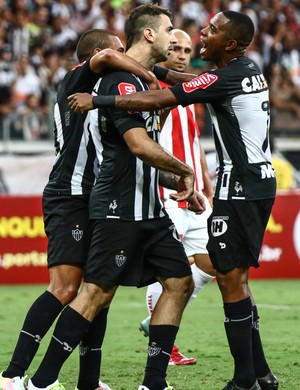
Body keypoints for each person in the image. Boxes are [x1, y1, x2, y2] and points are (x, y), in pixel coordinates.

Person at [69, 10, 279, 390]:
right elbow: (185, 80)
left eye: (212, 30)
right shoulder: (245, 71)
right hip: (257, 184)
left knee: (231, 280)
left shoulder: (224, 76)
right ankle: (260, 374)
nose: (204, 32)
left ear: (229, 45)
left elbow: (160, 98)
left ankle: (247, 379)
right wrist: (152, 69)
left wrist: (99, 100)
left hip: (241, 187)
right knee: (233, 277)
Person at [25, 4, 202, 390]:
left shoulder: (142, 84)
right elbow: (137, 146)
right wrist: (185, 169)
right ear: (150, 34)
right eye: (169, 29)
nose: (176, 36)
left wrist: (177, 182)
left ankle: (153, 382)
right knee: (90, 294)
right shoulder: (118, 80)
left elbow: (149, 145)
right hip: (117, 206)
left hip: (149, 207)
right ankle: (37, 381)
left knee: (179, 282)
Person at [0, 28, 158, 390]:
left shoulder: (103, 91)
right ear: (101, 53)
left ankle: (88, 381)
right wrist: (146, 74)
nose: (126, 59)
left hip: (95, 196)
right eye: (122, 52)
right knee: (64, 287)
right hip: (69, 193)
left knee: (97, 290)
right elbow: (106, 57)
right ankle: (11, 375)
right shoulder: (77, 76)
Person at [138, 28, 215, 367]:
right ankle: (164, 345)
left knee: (216, 262)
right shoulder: (154, 90)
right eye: (176, 48)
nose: (183, 54)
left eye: (187, 49)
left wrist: (204, 179)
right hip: (166, 193)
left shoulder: (189, 93)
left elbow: (193, 139)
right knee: (171, 274)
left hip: (195, 192)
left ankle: (152, 323)